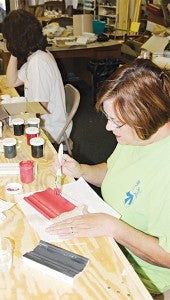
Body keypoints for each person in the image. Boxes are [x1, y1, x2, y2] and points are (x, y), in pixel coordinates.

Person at [46, 58, 170, 297]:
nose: (107, 128)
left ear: (145, 117)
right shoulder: (138, 135)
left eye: (116, 122)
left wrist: (113, 228)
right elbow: (115, 172)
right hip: (109, 243)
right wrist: (81, 170)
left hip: (139, 276)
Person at [2, 9, 71, 142]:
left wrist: (12, 116)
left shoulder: (38, 63)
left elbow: (40, 108)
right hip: (42, 119)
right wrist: (14, 52)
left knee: (6, 133)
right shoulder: (36, 55)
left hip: (48, 129)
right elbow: (12, 82)